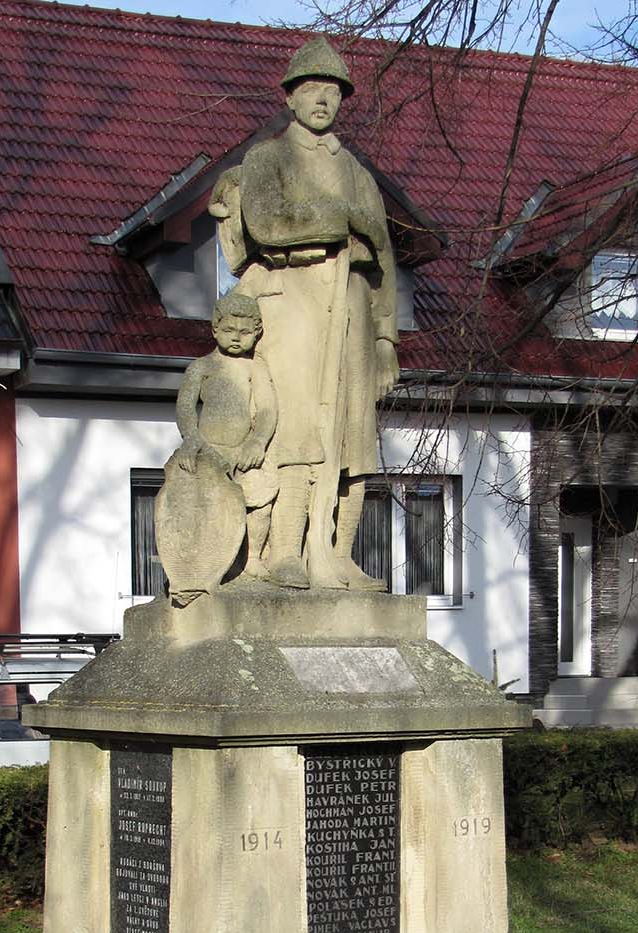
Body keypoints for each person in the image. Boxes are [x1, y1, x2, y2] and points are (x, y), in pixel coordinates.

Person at [224, 36, 399, 590]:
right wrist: (339, 219)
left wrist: (384, 341)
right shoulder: (268, 158)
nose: (322, 100)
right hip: (292, 309)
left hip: (349, 316)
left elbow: (383, 261)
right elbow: (267, 224)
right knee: (295, 432)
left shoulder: (357, 172)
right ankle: (284, 553)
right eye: (310, 90)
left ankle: (340, 555)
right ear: (291, 98)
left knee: (354, 440)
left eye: (332, 91)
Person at [174, 290, 278, 580]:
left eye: (245, 332)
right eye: (230, 330)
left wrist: (258, 441)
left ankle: (253, 558)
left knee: (260, 502)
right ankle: (208, 561)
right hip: (209, 452)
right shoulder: (201, 367)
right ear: (215, 328)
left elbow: (268, 409)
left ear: (256, 333)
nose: (236, 337)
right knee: (207, 509)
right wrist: (191, 440)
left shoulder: (255, 368)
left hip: (245, 451)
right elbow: (185, 406)